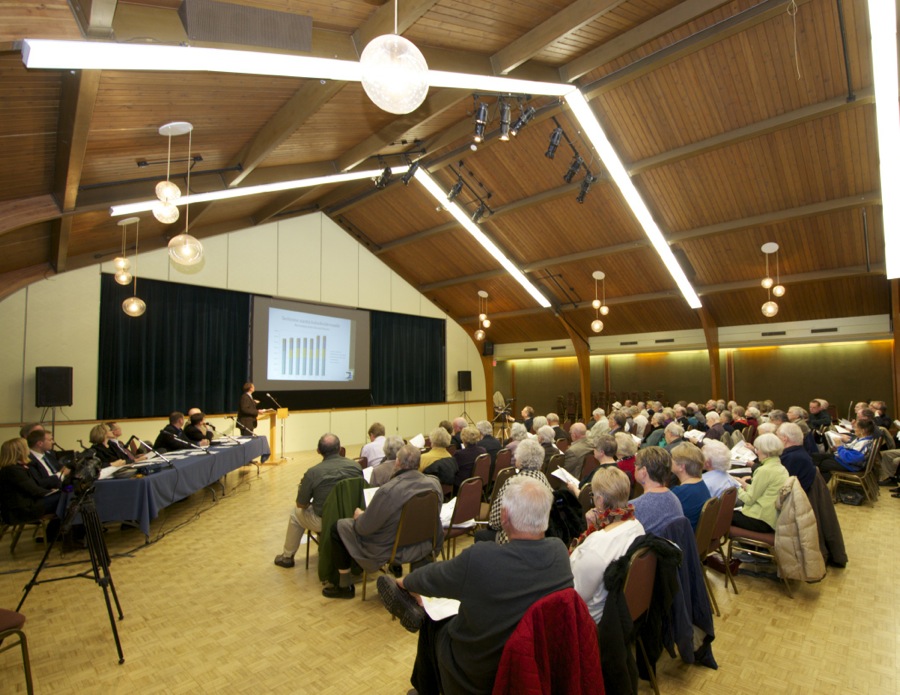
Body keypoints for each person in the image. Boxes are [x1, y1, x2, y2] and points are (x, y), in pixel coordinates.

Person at [377, 475, 574, 695]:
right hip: (532, 664)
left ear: (505, 515)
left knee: (433, 622)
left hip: (478, 673)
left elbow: (434, 577)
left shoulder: (482, 557)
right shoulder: (560, 553)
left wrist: (405, 582)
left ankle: (424, 689)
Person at [324, 444, 444, 599]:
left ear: (398, 463)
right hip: (424, 543)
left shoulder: (389, 490)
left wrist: (360, 515)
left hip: (391, 547)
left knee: (339, 526)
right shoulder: (434, 484)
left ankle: (344, 585)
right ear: (418, 464)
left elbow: (364, 528)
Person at [273, 433, 363, 568]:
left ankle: (287, 557)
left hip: (324, 520)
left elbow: (301, 504)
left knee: (295, 513)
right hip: (351, 516)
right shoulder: (356, 467)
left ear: (318, 451)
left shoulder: (313, 473)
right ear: (340, 448)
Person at [569, 467, 645, 623]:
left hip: (592, 620)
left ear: (600, 500)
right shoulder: (637, 525)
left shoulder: (596, 546)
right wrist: (593, 527)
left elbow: (574, 594)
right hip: (620, 611)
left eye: (593, 496)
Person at [481, 438, 552, 545]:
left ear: (520, 459)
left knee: (481, 536)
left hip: (516, 537)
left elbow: (495, 521)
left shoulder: (513, 483)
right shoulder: (543, 478)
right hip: (540, 533)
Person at [0, 438, 62, 538]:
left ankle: (56, 532)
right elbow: (34, 490)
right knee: (65, 497)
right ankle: (56, 533)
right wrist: (51, 492)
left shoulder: (17, 467)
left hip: (29, 504)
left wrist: (51, 491)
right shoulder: (13, 470)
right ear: (19, 451)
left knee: (66, 497)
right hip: (23, 509)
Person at [732, 433, 789, 533]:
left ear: (765, 451)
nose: (756, 452)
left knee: (722, 515)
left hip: (761, 518)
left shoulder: (764, 470)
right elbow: (762, 490)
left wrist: (736, 486)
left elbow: (749, 500)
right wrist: (744, 484)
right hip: (772, 517)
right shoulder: (781, 467)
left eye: (757, 449)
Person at [631, 447, 685, 534]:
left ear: (643, 471)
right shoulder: (675, 499)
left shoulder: (634, 507)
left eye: (636, 465)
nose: (634, 467)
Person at [815, 418, 875, 483]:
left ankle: (821, 489)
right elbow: (850, 449)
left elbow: (850, 459)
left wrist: (839, 446)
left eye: (856, 427)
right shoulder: (862, 439)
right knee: (816, 457)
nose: (854, 429)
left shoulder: (863, 444)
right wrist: (838, 448)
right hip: (845, 460)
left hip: (851, 466)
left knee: (823, 464)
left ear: (862, 431)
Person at [670, 443, 711, 531]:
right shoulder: (701, 484)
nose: (669, 461)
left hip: (681, 539)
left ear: (682, 467)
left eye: (672, 459)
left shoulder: (679, 493)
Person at [776, 422, 817, 493]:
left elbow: (779, 484)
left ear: (784, 438)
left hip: (788, 499)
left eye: (777, 436)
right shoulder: (797, 453)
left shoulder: (793, 458)